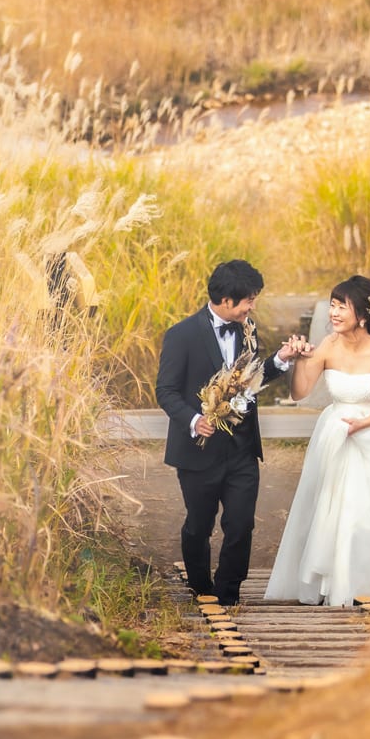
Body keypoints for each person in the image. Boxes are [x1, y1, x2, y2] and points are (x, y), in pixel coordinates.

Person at [156, 259, 302, 606]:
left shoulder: (247, 330)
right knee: (199, 525)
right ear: (225, 300)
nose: (252, 307)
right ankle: (200, 587)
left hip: (241, 449)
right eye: (248, 300)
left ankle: (229, 591)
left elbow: (250, 382)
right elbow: (166, 391)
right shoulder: (181, 335)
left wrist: (280, 360)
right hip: (198, 451)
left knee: (240, 524)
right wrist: (194, 421)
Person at [264, 275, 370, 606]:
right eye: (332, 305)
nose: (333, 313)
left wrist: (363, 423)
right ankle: (330, 584)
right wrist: (300, 358)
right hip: (334, 433)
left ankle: (366, 583)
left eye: (341, 306)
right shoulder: (328, 346)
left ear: (362, 314)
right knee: (332, 506)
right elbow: (300, 393)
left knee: (368, 511)